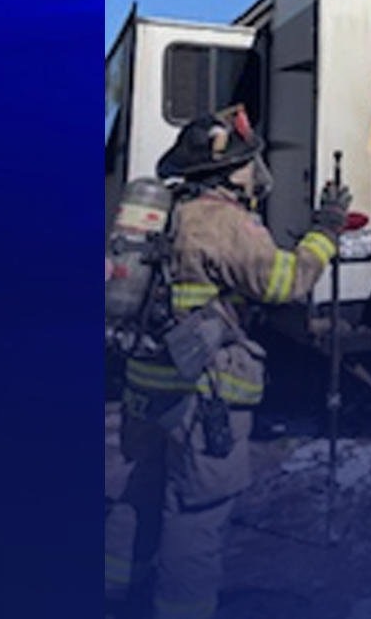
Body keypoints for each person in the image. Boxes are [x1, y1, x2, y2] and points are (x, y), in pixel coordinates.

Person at [105, 107, 349, 619]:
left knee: (136, 493)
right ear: (222, 174)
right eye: (245, 163)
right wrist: (326, 230)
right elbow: (287, 282)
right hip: (204, 394)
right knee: (196, 512)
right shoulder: (224, 223)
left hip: (143, 383)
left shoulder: (164, 213)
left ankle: (115, 592)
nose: (253, 170)